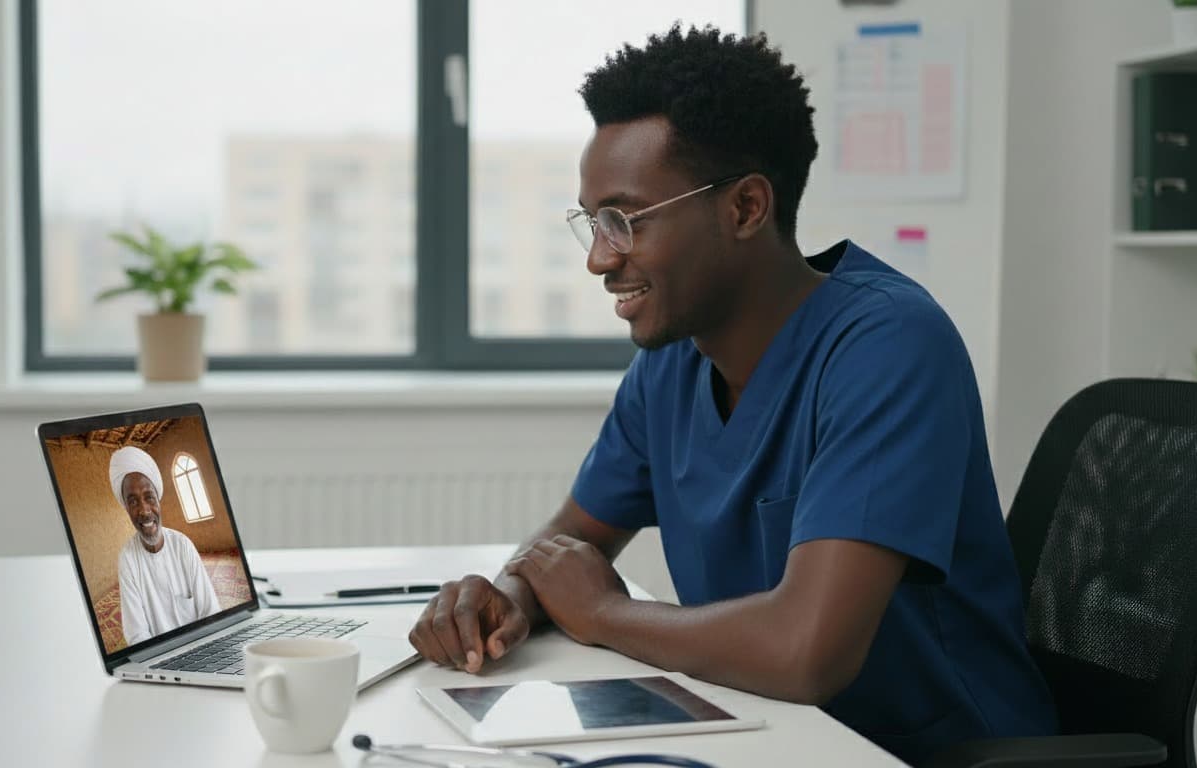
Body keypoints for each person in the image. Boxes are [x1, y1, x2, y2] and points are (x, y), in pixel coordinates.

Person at [407, 24, 1056, 764]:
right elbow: (568, 548)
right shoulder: (673, 359)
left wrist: (602, 612)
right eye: (591, 222)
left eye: (624, 220)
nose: (597, 258)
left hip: (918, 753)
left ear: (746, 208)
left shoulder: (890, 346)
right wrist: (506, 603)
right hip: (766, 736)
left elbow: (806, 651)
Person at [110, 445, 220, 645]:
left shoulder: (183, 545)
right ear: (126, 508)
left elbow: (210, 611)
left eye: (149, 497)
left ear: (158, 500)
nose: (144, 510)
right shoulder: (128, 558)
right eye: (133, 502)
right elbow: (137, 636)